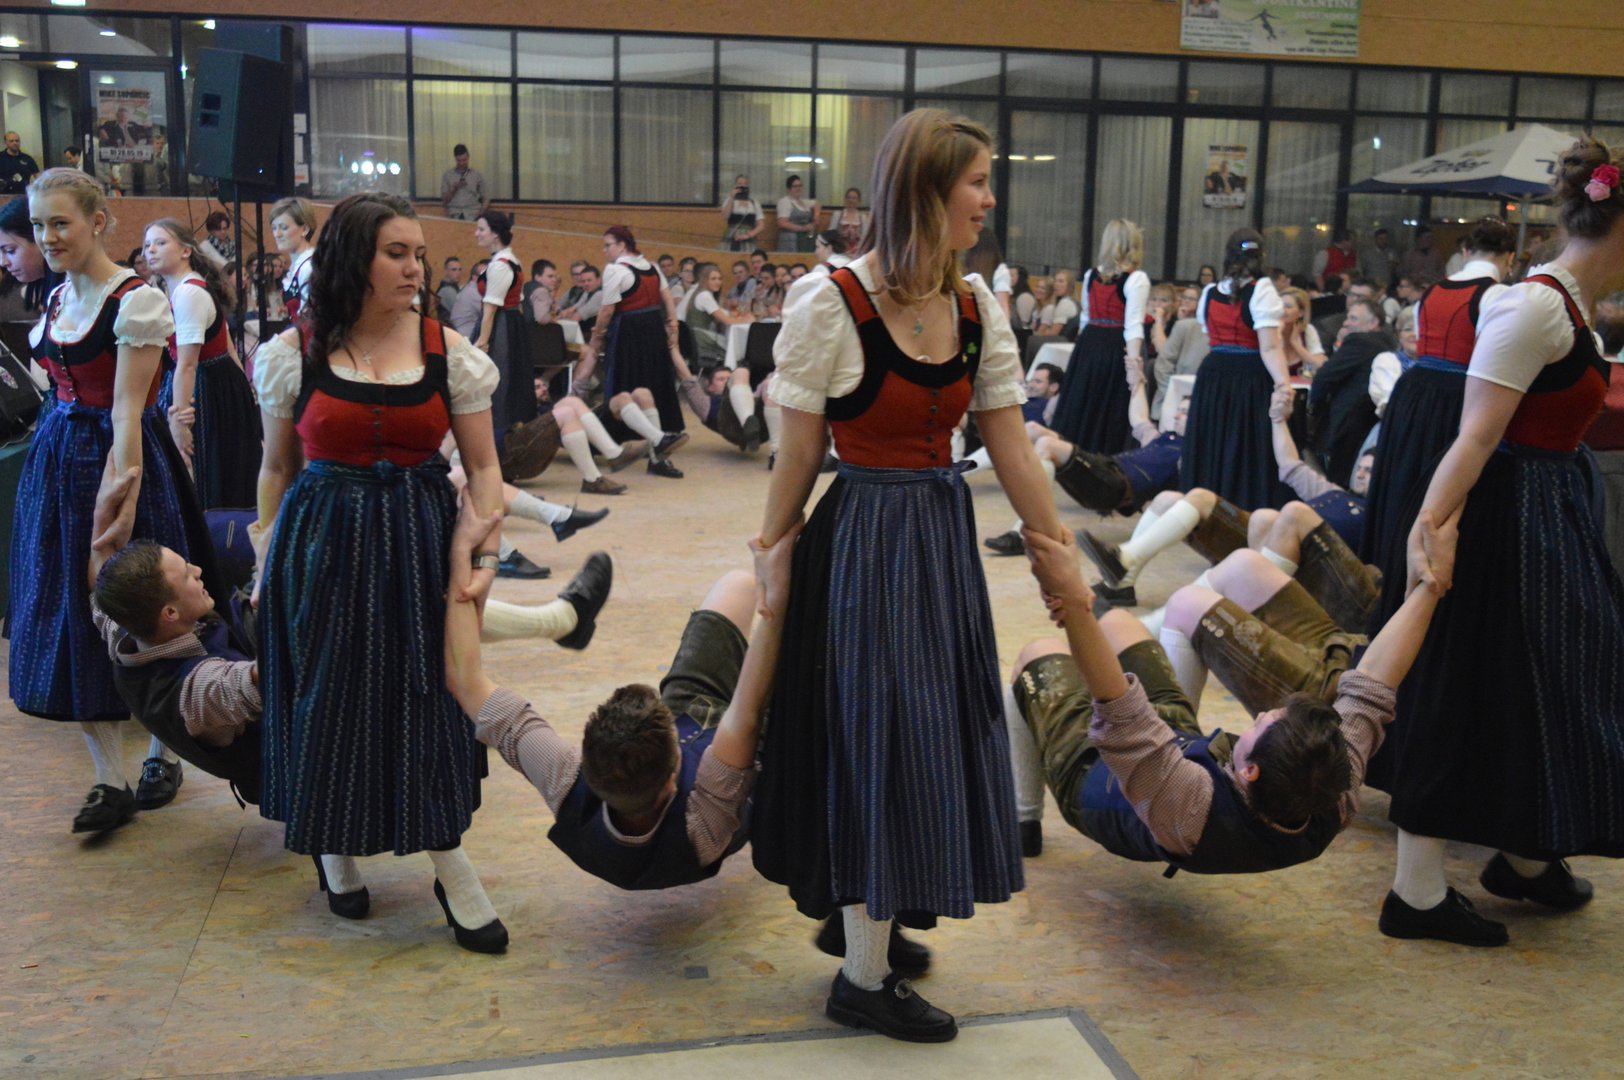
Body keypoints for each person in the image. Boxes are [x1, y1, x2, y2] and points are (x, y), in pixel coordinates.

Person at [752, 109, 1065, 1043]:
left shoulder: (975, 308)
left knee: (930, 727)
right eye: (977, 181)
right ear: (927, 191)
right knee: (874, 735)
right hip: (862, 545)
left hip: (937, 538)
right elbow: (797, 454)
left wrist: (1058, 553)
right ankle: (860, 976)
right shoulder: (832, 302)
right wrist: (770, 556)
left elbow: (1010, 445)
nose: (989, 198)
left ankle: (868, 913)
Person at [1377, 140, 1624, 948]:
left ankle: (1525, 853)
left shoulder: (1569, 307)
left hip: (1544, 514)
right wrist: (1429, 536)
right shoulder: (1534, 308)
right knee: (1461, 688)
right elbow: (1474, 437)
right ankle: (1415, 893)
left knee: (1545, 684)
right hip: (1504, 520)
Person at [252, 192, 509, 953]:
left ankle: (452, 868)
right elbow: (276, 468)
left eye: (419, 254)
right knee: (326, 694)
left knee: (427, 696)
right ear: (353, 259)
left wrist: (484, 555)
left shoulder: (446, 351)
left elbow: (485, 468)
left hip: (421, 540)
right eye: (397, 253)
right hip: (322, 544)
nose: (415, 268)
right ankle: (333, 847)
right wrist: (266, 561)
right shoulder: (293, 352)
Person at [1005, 523, 1439, 874]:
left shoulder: (1191, 807)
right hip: (1176, 747)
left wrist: (1072, 599)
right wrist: (1431, 586)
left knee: (1038, 653)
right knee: (1119, 621)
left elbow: (1117, 705)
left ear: (1249, 770)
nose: (1263, 713)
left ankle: (1022, 821)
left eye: (1262, 723)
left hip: (1090, 779)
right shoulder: (1331, 792)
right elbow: (1373, 685)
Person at [10, 168, 222, 833]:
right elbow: (56, 386)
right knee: (72, 610)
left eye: (60, 223)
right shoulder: (54, 299)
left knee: (147, 604)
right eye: (39, 225)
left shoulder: (136, 302)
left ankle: (164, 753)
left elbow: (128, 411)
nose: (48, 237)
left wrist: (120, 501)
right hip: (57, 459)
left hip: (120, 460)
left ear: (98, 222)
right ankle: (108, 777)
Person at [454, 502, 793, 892]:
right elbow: (746, 714)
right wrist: (777, 588)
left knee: (738, 585)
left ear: (585, 767)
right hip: (756, 747)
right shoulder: (701, 827)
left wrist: (460, 555)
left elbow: (465, 680)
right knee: (798, 657)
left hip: (697, 713)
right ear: (672, 782)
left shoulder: (566, 780)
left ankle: (565, 621)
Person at [1358, 217, 1514, 599]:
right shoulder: (1498, 296)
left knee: (1403, 483)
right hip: (1457, 398)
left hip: (1412, 395)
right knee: (1442, 490)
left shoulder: (1432, 292)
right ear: (1510, 257)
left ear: (1465, 251)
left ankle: (1389, 578)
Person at [142, 218, 260, 510]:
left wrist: (179, 422)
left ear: (185, 251)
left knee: (207, 478)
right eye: (147, 245)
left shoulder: (188, 293)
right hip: (217, 385)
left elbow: (187, 365)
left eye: (160, 243)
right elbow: (227, 344)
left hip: (207, 391)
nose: (150, 250)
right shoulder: (186, 288)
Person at [1180, 228, 1290, 510]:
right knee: (1244, 444)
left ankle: (1203, 506)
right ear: (1261, 256)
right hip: (1249, 377)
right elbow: (1269, 347)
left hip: (1213, 374)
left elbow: (1210, 335)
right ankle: (1243, 507)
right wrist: (1283, 385)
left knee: (1212, 441)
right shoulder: (1262, 290)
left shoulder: (1210, 292)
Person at [573, 227, 690, 479]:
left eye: (608, 245)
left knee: (624, 388)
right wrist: (672, 326)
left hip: (628, 333)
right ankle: (657, 454)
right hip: (654, 331)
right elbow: (668, 300)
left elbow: (607, 310)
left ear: (622, 245)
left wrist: (596, 338)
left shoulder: (615, 270)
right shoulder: (652, 267)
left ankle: (628, 445)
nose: (604, 250)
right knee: (653, 388)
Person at [1050, 220, 1149, 453]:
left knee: (1083, 401)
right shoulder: (1136, 279)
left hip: (1089, 344)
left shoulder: (1090, 276)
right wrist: (1134, 364)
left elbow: (1086, 317)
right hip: (1115, 346)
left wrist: (1081, 351)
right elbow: (1133, 325)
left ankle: (1068, 453)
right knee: (1109, 406)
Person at [471, 210, 544, 478]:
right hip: (510, 327)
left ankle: (499, 456)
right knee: (508, 387)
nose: (477, 234)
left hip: (500, 328)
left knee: (497, 389)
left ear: (495, 233)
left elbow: (491, 308)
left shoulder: (500, 265)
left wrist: (482, 343)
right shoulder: (510, 260)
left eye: (481, 229)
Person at [1308, 297, 1391, 487]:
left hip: (1345, 424)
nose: (1346, 322)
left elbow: (1324, 376)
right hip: (1368, 426)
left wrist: (1314, 408)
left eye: (1353, 318)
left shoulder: (1360, 341)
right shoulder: (1388, 343)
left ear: (1373, 323)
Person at [1150, 285, 1209, 420]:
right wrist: (1175, 393)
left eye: (1191, 299)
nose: (1186, 301)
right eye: (1184, 297)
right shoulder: (1183, 325)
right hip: (1175, 396)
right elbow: (1163, 359)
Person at [677, 261, 751, 367]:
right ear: (705, 280)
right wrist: (749, 319)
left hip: (696, 338)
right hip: (700, 339)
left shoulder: (700, 292)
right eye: (713, 279)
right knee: (737, 349)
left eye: (719, 279)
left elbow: (722, 314)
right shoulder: (704, 295)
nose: (718, 282)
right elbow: (727, 321)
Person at [268, 197, 317, 324]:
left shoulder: (308, 267)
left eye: (283, 227)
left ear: (304, 229)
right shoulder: (296, 266)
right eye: (274, 228)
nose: (277, 234)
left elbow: (312, 320)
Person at [1278, 286, 1326, 376]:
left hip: (1302, 383)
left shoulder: (1307, 330)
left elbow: (1319, 366)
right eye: (1279, 305)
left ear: (1301, 312)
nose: (1282, 310)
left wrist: (1294, 342)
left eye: (1288, 307)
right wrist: (1278, 334)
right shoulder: (1268, 331)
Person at [440, 144, 488, 222]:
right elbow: (444, 201)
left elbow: (486, 198)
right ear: (455, 159)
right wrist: (453, 189)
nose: (462, 163)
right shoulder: (447, 175)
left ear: (468, 157)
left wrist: (480, 215)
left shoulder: (477, 175)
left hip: (473, 214)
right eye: (459, 161)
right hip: (454, 215)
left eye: (464, 160)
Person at [776, 174, 819, 254]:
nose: (798, 188)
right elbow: (782, 223)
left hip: (805, 240)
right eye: (795, 186)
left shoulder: (804, 202)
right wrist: (803, 228)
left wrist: (816, 217)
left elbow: (817, 204)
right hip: (790, 240)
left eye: (800, 186)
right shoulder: (785, 202)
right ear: (789, 189)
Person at [721, 174, 763, 252]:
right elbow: (725, 216)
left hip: (749, 237)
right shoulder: (729, 201)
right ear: (735, 186)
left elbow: (761, 225)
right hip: (732, 236)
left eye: (745, 184)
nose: (742, 186)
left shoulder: (754, 203)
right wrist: (731, 197)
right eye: (740, 184)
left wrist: (748, 235)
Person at [830, 186, 868, 253]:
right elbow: (830, 234)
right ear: (845, 199)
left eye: (854, 198)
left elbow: (866, 237)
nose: (851, 200)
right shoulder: (838, 215)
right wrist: (841, 234)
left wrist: (857, 235)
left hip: (857, 250)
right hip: (840, 250)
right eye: (848, 197)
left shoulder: (862, 217)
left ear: (859, 201)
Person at [0, 130, 40, 195]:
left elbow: (38, 177)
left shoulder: (27, 159)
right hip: (3, 196)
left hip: (23, 195)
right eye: (11, 141)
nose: (15, 143)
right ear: (5, 142)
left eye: (17, 141)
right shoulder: (1, 157)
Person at [526, 259, 559, 325]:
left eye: (555, 276)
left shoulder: (528, 285)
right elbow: (542, 319)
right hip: (538, 329)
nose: (554, 280)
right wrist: (556, 316)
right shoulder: (541, 291)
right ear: (537, 277)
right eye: (550, 276)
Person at [435, 256, 463, 321]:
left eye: (459, 270)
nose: (458, 273)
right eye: (454, 270)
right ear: (446, 271)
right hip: (450, 325)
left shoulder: (452, 287)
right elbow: (461, 313)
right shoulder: (446, 290)